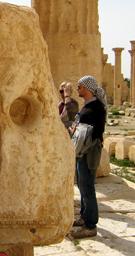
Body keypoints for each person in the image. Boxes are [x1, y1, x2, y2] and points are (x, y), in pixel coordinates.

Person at [69, 76, 107, 239]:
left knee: (88, 189)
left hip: (89, 152)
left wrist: (78, 132)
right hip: (83, 151)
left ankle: (90, 226)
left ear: (87, 88)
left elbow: (95, 132)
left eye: (79, 86)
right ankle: (84, 217)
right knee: (83, 187)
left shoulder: (97, 108)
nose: (77, 89)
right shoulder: (89, 106)